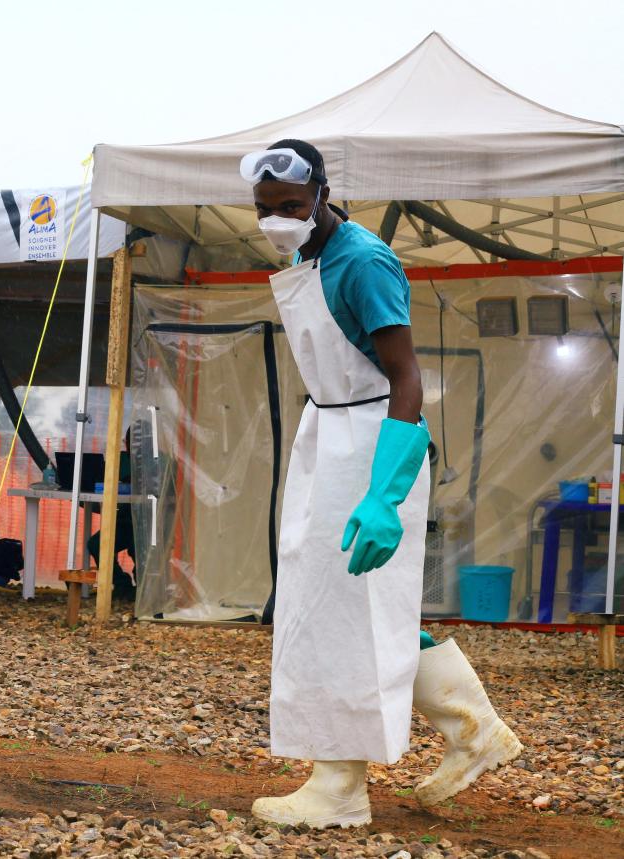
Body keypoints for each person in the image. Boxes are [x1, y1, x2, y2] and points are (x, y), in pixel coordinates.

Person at [240, 140, 521, 828]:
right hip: (329, 436)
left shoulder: (361, 261)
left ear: (323, 197)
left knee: (342, 615)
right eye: (266, 209)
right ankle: (474, 730)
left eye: (291, 207)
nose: (278, 218)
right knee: (343, 606)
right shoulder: (308, 254)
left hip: (371, 442)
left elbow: (407, 380)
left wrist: (384, 493)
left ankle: (339, 788)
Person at [86, 428, 137, 601]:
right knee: (96, 544)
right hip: (123, 522)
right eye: (130, 441)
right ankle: (122, 585)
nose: (133, 446)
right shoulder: (119, 460)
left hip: (149, 524)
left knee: (141, 549)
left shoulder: (159, 461)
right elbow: (102, 482)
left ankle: (145, 588)